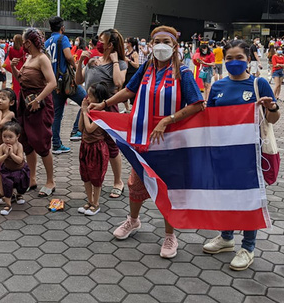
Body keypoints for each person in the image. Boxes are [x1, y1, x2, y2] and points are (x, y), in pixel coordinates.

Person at [90, 25, 204, 258]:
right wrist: (104, 104)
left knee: (167, 185)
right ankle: (133, 221)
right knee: (136, 181)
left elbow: (197, 104)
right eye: (157, 41)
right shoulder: (146, 69)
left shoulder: (183, 72)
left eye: (167, 41)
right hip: (143, 137)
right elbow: (129, 91)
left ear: (174, 46)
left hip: (170, 139)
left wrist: (167, 121)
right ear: (150, 46)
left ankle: (170, 235)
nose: (161, 45)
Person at [203, 39, 280, 271]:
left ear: (249, 59)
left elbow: (273, 119)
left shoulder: (259, 84)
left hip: (250, 154)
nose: (234, 62)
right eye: (229, 58)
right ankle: (226, 238)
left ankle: (248, 247)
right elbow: (210, 120)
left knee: (249, 198)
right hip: (223, 152)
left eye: (239, 58)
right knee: (225, 195)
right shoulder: (217, 86)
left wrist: (272, 108)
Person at [75, 28, 127, 199]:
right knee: (90, 142)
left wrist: (114, 62)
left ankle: (118, 181)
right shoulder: (93, 61)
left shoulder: (120, 63)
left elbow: (119, 83)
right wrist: (82, 62)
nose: (98, 42)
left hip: (107, 108)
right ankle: (95, 180)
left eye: (102, 40)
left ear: (110, 45)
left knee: (112, 146)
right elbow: (78, 81)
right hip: (89, 108)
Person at [11, 28, 57, 198]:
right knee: (27, 141)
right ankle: (32, 178)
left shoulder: (42, 59)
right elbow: (21, 80)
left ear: (28, 42)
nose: (22, 45)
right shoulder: (29, 58)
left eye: (24, 42)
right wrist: (15, 68)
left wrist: (38, 100)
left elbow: (52, 83)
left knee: (41, 141)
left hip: (40, 105)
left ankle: (50, 181)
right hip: (25, 104)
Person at [45, 16, 87, 153]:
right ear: (62, 27)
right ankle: (76, 130)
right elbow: (68, 56)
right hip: (67, 81)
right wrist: (76, 68)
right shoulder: (62, 39)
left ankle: (56, 144)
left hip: (54, 83)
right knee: (87, 101)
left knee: (57, 115)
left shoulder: (46, 42)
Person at [77, 83, 111, 216]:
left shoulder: (101, 113)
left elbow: (90, 128)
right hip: (85, 146)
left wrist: (85, 112)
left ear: (99, 98)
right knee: (85, 175)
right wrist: (82, 111)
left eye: (90, 96)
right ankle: (89, 201)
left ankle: (96, 203)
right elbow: (81, 128)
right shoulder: (88, 110)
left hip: (97, 148)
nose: (88, 98)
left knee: (96, 176)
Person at [0, 88, 18, 204]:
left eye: (3, 99)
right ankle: (2, 192)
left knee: (9, 171)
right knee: (1, 171)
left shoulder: (10, 114)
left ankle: (10, 194)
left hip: (9, 148)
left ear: (11, 103)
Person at [0, 121, 30, 216]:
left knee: (22, 186)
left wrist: (11, 154)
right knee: (7, 186)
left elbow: (19, 160)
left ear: (17, 136)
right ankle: (8, 204)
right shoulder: (2, 147)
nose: (7, 139)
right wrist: (6, 155)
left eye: (10, 137)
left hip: (20, 170)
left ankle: (19, 195)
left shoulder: (19, 146)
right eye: (4, 136)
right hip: (7, 171)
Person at [123, 37, 140, 113]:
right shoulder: (125, 52)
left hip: (132, 74)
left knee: (131, 90)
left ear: (129, 44)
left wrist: (129, 60)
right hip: (125, 73)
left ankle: (133, 108)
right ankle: (127, 108)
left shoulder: (134, 53)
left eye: (126, 42)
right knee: (123, 90)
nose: (125, 44)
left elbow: (137, 65)